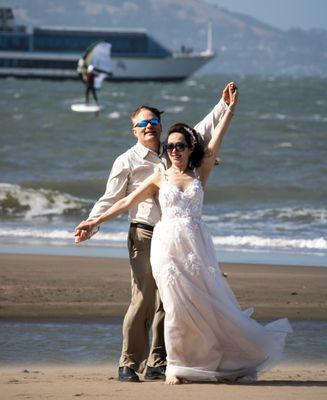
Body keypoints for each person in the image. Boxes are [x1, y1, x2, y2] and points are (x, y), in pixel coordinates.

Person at [75, 86, 293, 384]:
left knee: (172, 301)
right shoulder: (127, 161)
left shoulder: (174, 150)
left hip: (185, 239)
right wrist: (93, 222)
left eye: (153, 122)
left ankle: (159, 362)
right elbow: (115, 199)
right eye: (142, 123)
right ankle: (128, 362)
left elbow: (203, 133)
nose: (149, 126)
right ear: (134, 130)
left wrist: (224, 105)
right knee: (143, 298)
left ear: (162, 127)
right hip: (145, 234)